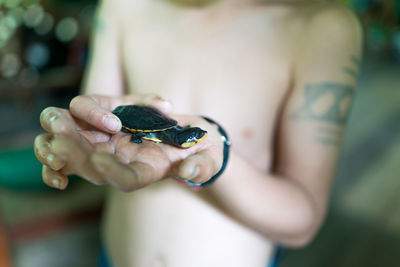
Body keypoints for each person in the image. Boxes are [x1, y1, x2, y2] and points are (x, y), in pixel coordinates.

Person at [34, 0, 363, 266]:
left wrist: (219, 160)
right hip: (115, 255)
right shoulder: (122, 6)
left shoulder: (322, 26)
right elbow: (98, 135)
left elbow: (301, 224)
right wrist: (76, 145)